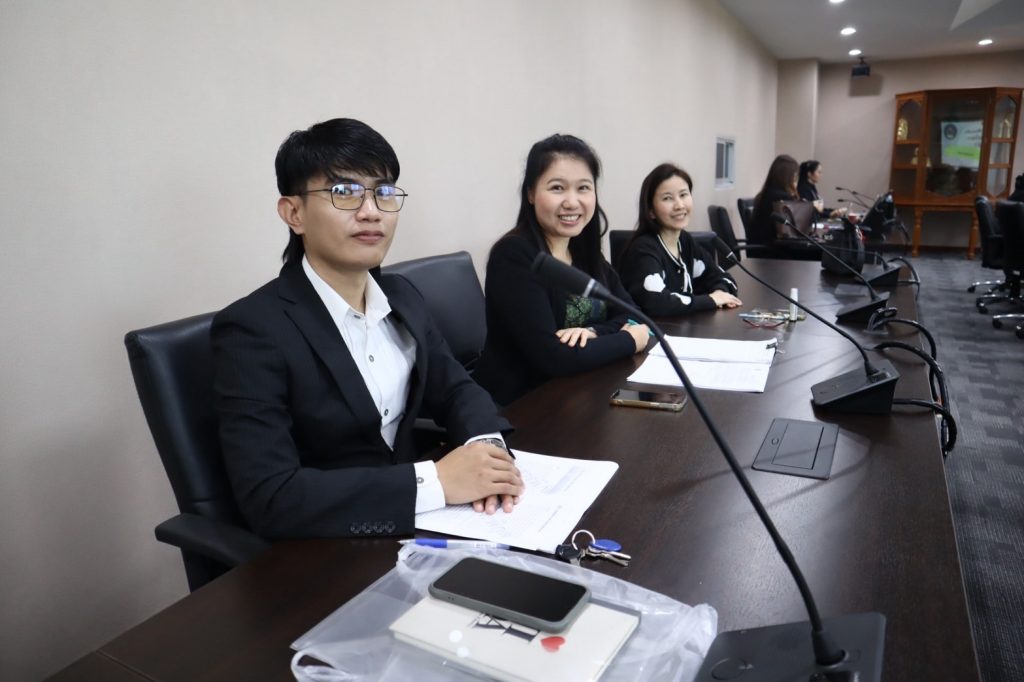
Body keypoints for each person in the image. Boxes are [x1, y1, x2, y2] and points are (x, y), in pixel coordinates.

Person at [212, 118, 524, 540]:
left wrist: (488, 449)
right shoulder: (251, 330)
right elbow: (271, 497)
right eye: (344, 192)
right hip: (330, 547)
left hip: (429, 527)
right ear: (294, 213)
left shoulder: (401, 295)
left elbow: (455, 388)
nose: (371, 211)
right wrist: (434, 482)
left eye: (384, 192)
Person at [473, 134, 650, 406]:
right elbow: (554, 358)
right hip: (523, 406)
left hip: (580, 393)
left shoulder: (583, 251)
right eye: (557, 188)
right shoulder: (514, 256)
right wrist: (628, 340)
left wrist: (594, 332)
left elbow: (632, 314)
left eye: (583, 188)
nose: (572, 202)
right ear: (530, 193)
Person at [619, 163, 741, 316]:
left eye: (683, 195)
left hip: (685, 327)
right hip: (652, 330)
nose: (679, 205)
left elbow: (725, 279)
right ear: (651, 211)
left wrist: (720, 293)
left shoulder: (684, 241)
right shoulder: (643, 249)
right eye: (667, 198)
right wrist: (711, 300)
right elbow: (657, 303)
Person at [749, 154, 817, 260]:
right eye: (795, 176)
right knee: (819, 254)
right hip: (772, 253)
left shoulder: (765, 194)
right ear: (788, 177)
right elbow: (796, 228)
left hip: (763, 250)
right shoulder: (781, 198)